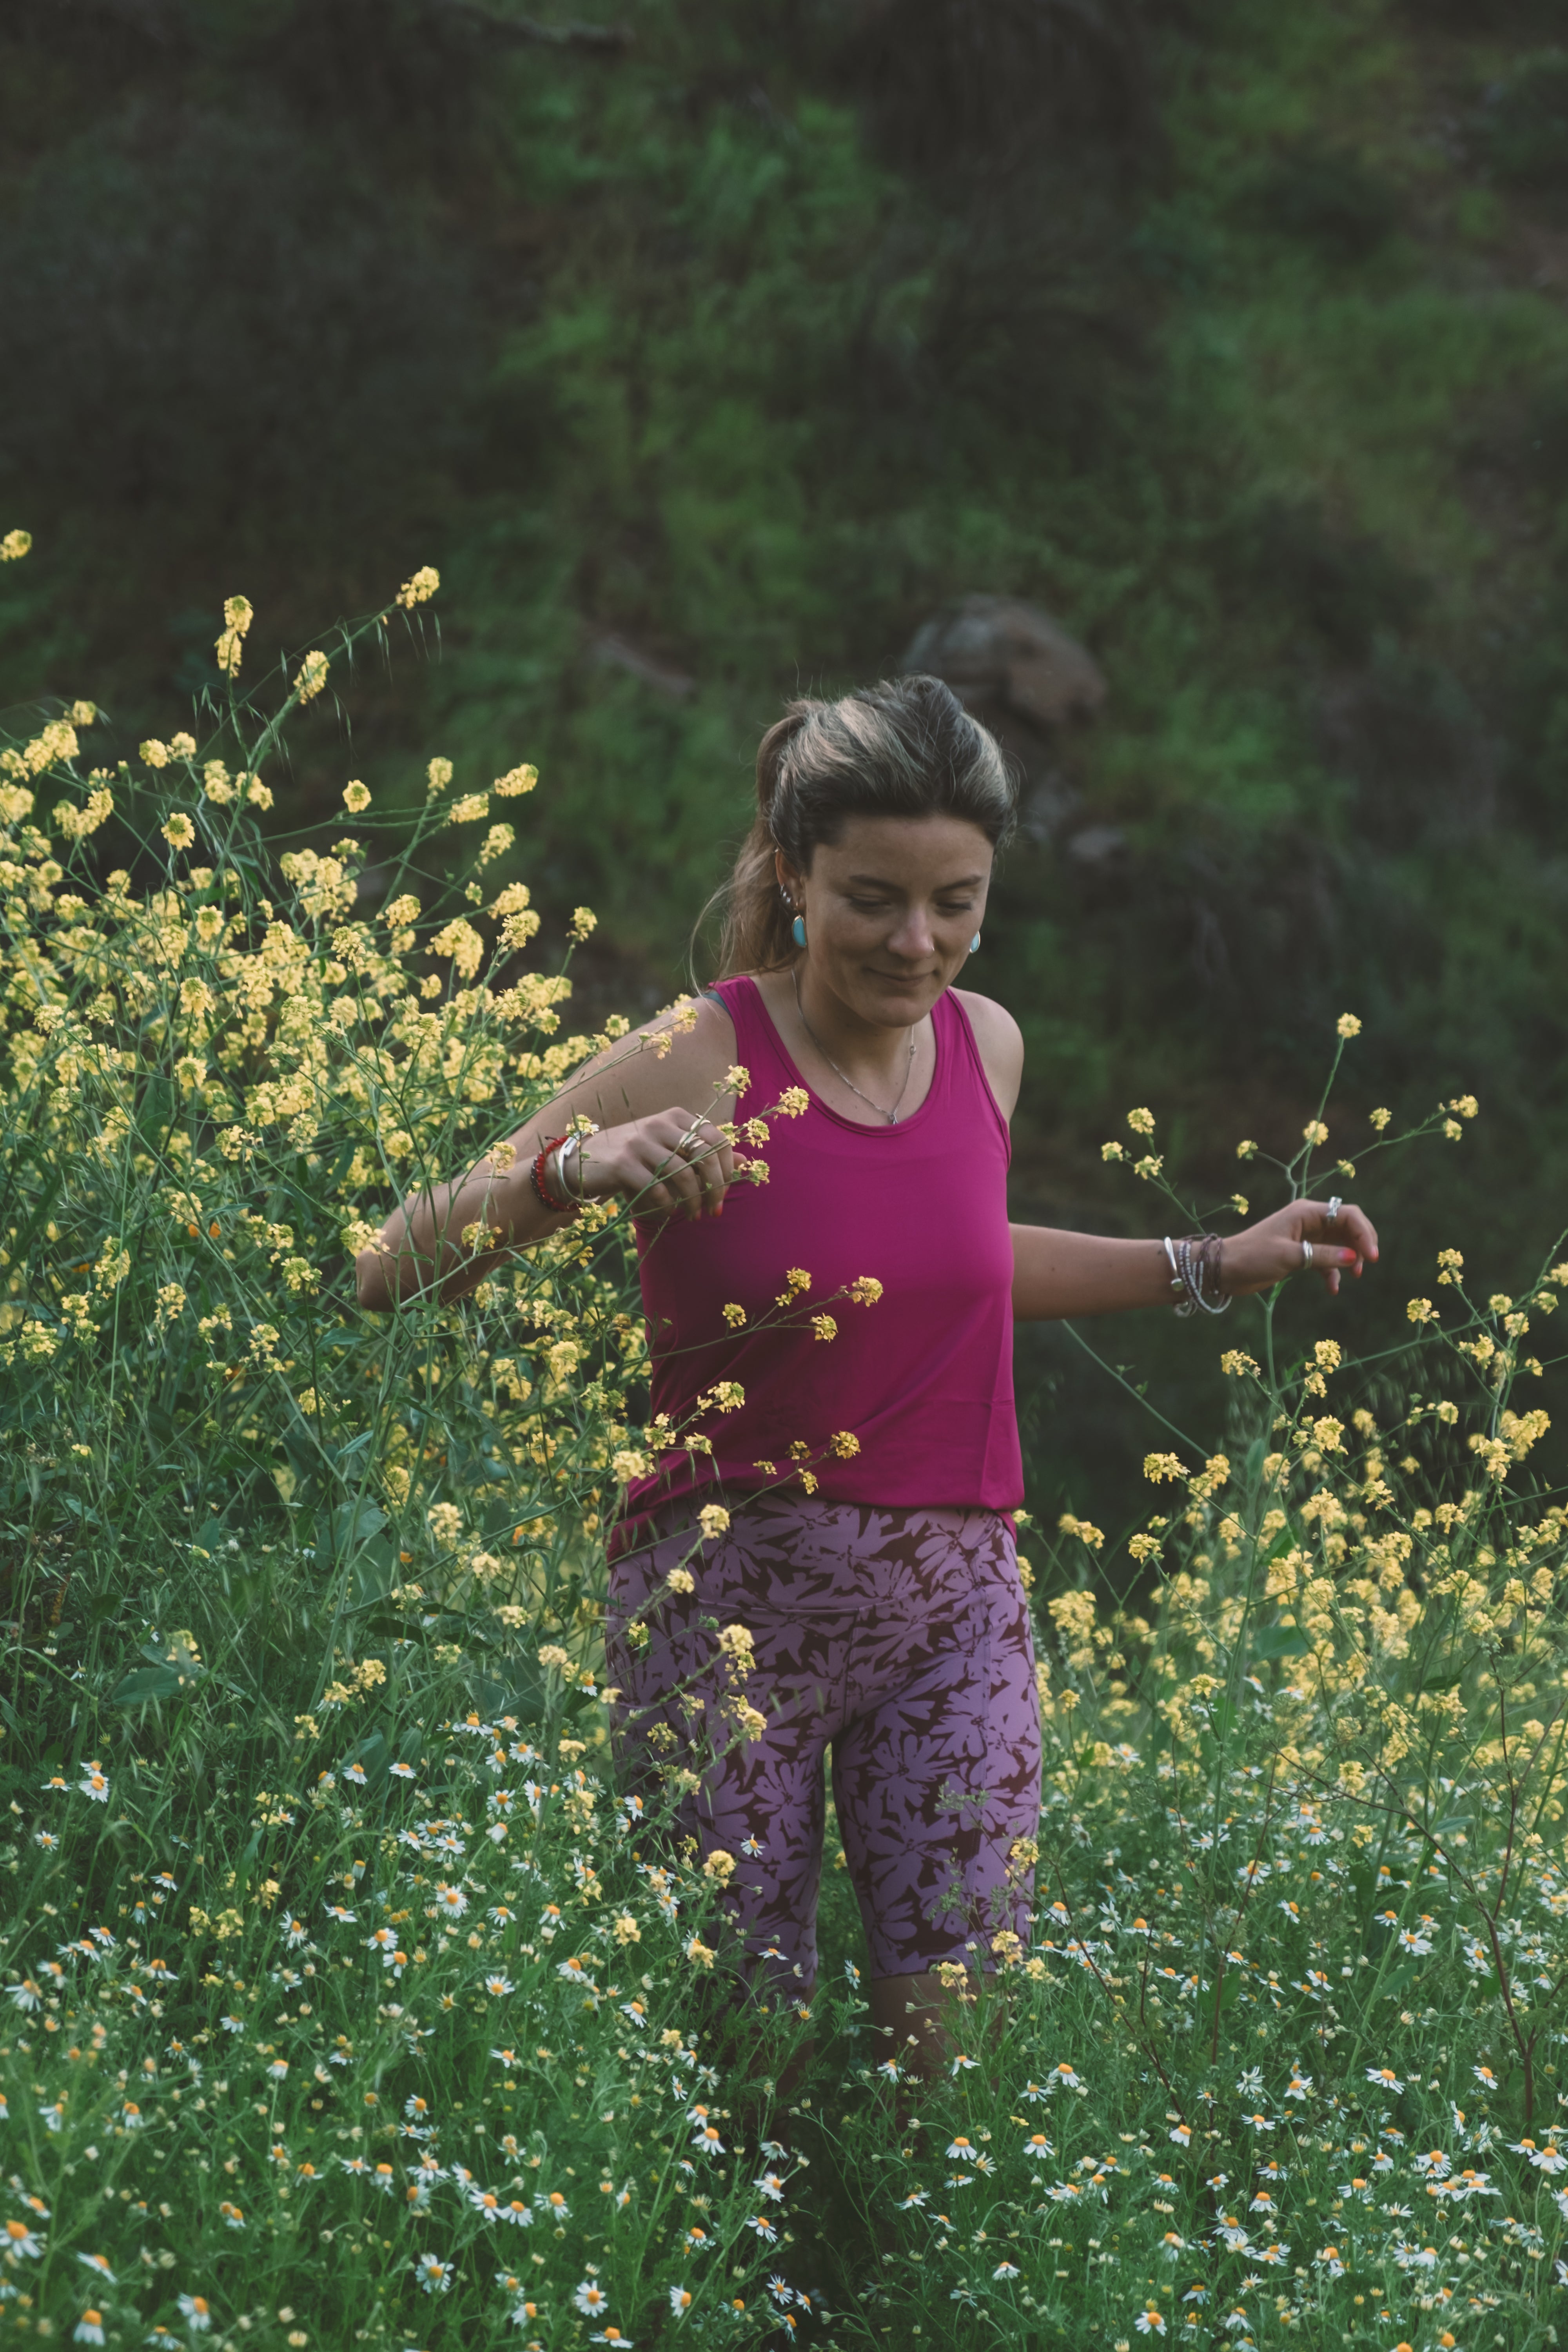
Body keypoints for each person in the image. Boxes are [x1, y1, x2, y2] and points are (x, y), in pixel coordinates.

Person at [357, 674, 1378, 2075]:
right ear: (793, 877)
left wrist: (1216, 1261)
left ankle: (905, 2289)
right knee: (728, 2058)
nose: (919, 943)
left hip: (955, 1607)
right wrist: (573, 1169)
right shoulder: (700, 1048)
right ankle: (733, 2295)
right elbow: (389, 1265)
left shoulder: (989, 1047)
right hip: (724, 1607)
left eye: (956, 901)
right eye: (872, 899)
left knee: (949, 2052)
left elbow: (948, 1257)